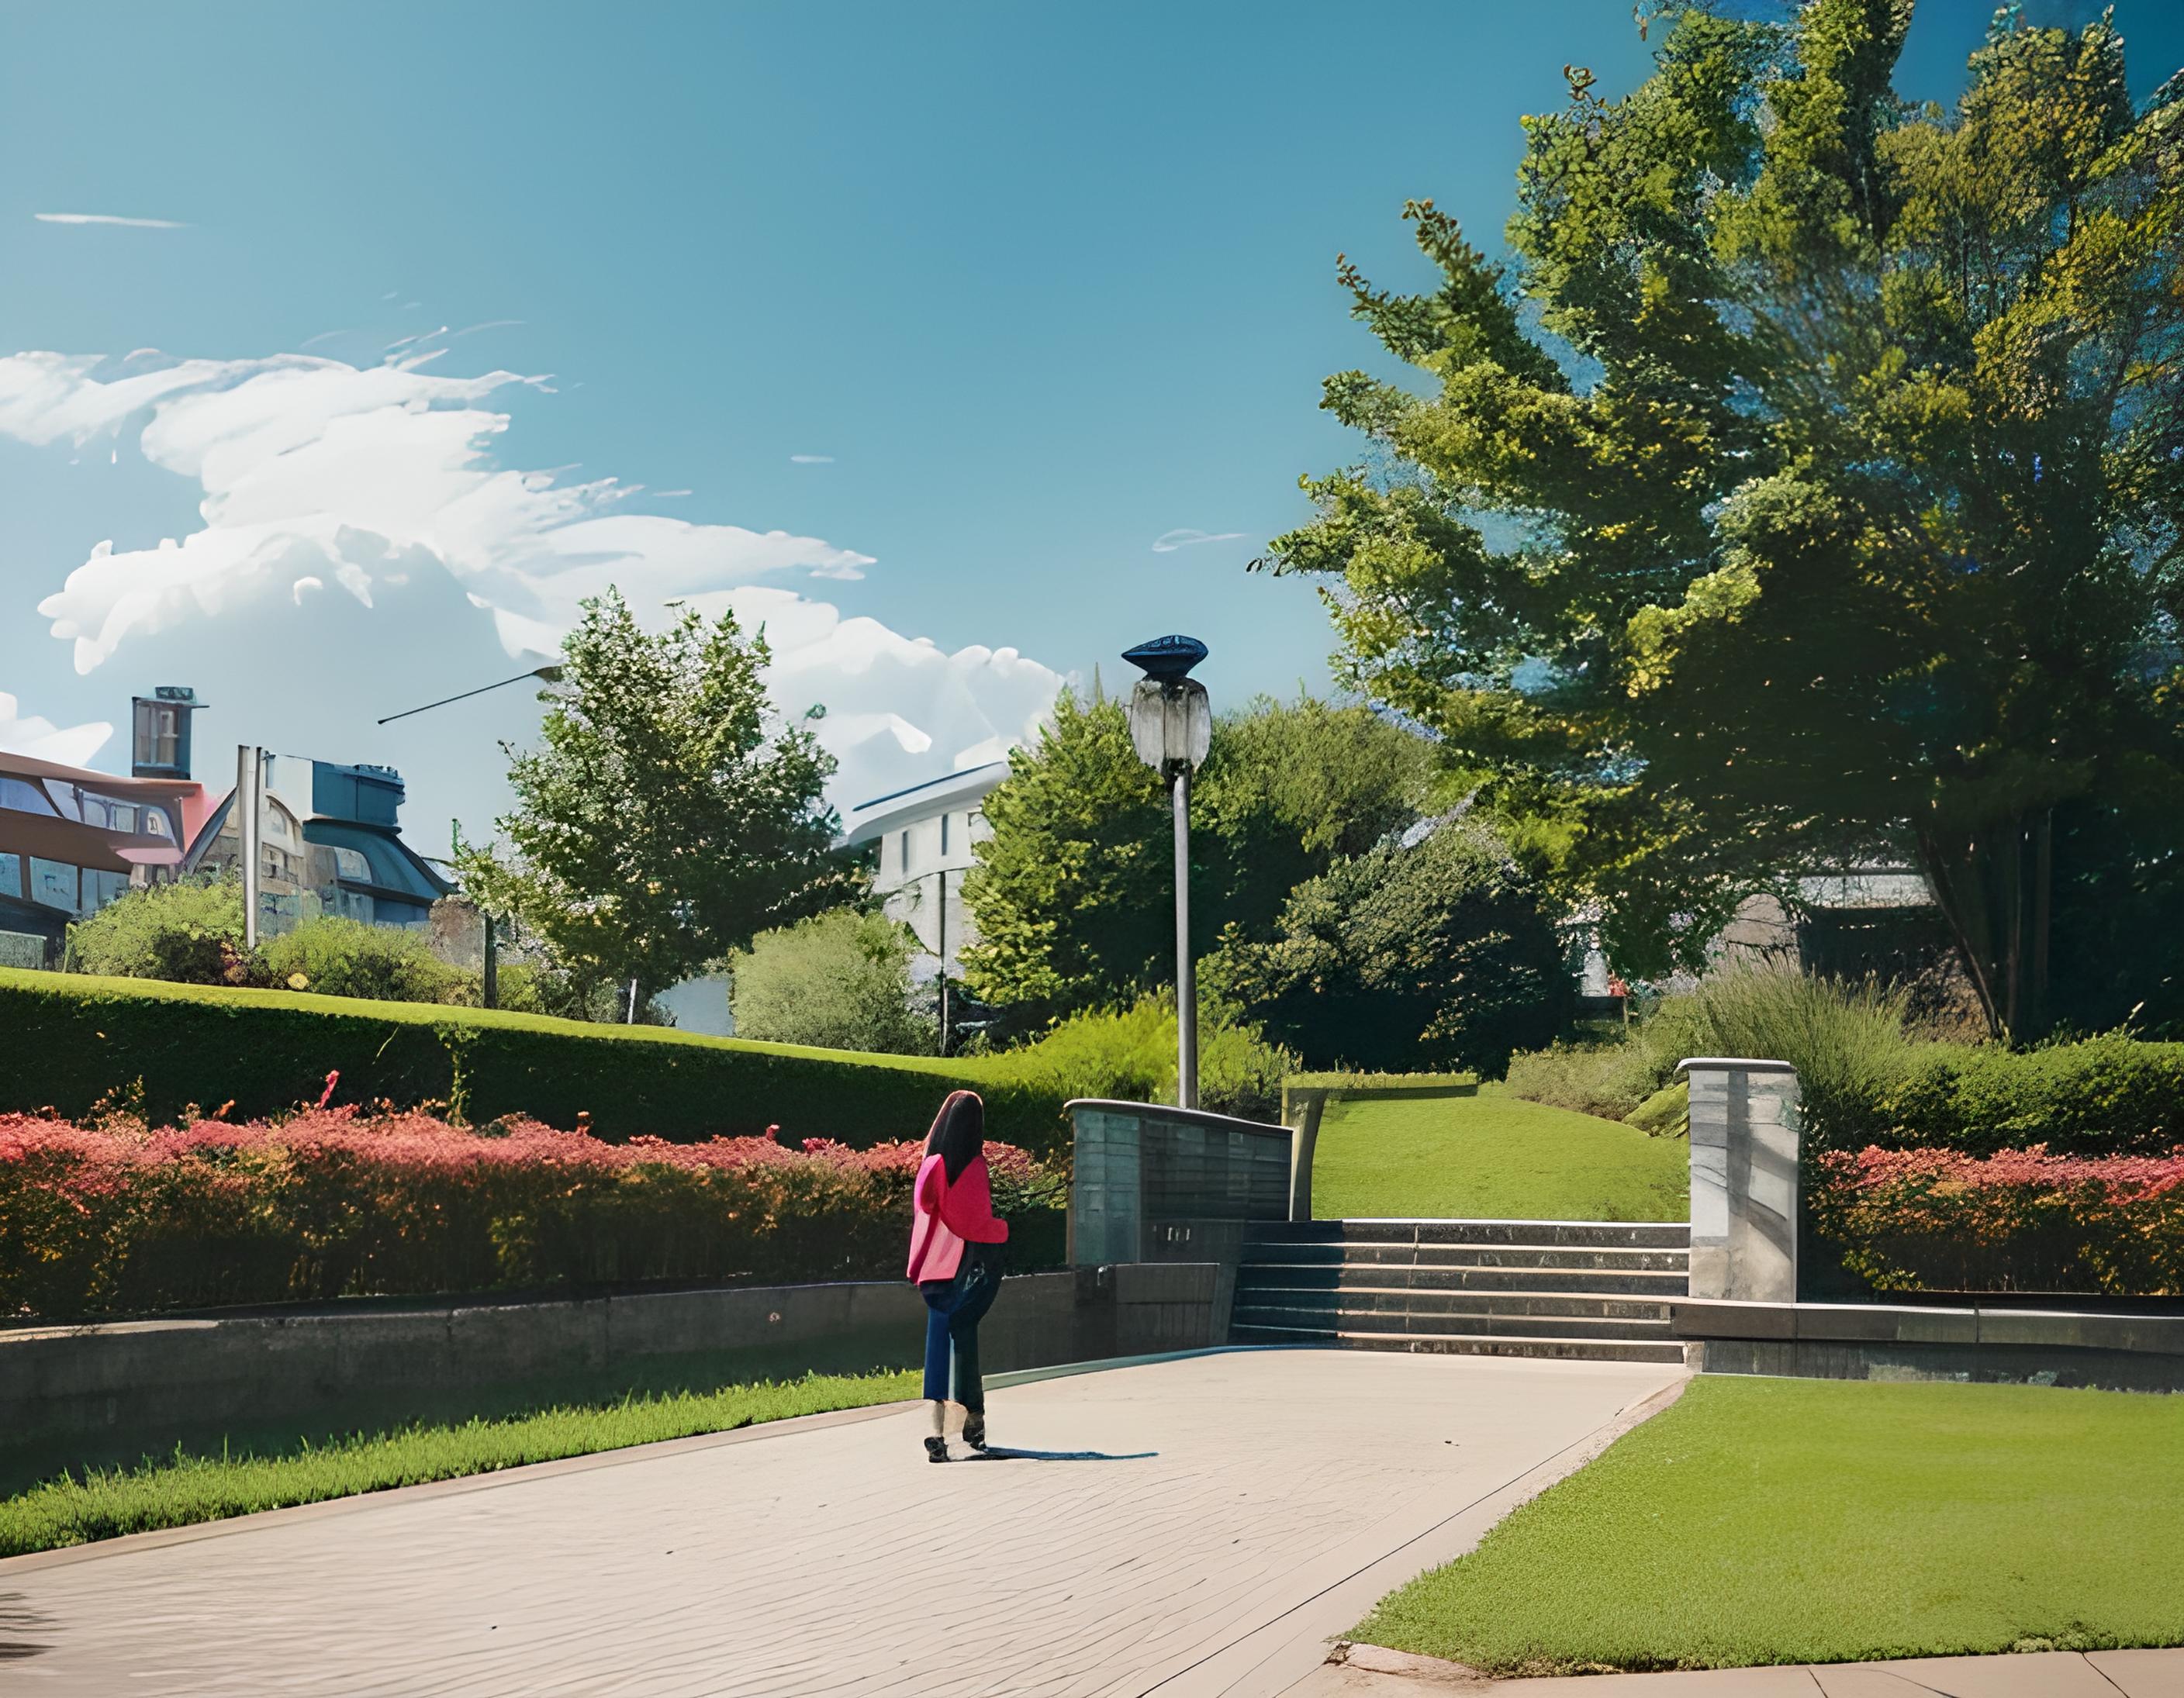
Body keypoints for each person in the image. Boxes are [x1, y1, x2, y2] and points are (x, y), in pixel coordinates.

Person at [906, 1089, 1010, 1462]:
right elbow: (977, 1222)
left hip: (930, 1272)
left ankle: (935, 1433)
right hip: (963, 1274)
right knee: (965, 1342)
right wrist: (1002, 1229)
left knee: (937, 1349)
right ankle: (973, 1424)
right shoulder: (973, 1167)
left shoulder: (928, 1165)